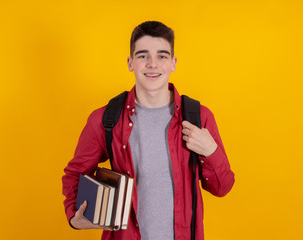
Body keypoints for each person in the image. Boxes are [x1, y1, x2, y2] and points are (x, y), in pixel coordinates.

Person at [62, 21, 235, 240]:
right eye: (143, 56)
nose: (153, 64)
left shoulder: (199, 117)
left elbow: (223, 187)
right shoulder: (105, 119)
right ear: (130, 63)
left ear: (173, 63)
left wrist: (211, 152)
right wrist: (74, 218)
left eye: (162, 56)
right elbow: (75, 174)